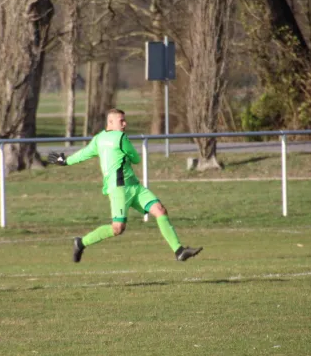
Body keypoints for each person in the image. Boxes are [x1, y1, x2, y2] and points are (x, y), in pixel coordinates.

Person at [48, 108, 202, 263]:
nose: (125, 124)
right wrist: (127, 155)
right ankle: (81, 242)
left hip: (134, 187)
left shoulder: (98, 139)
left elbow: (83, 154)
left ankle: (179, 251)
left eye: (124, 120)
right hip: (119, 189)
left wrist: (65, 161)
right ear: (110, 122)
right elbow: (136, 159)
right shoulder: (121, 137)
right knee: (117, 228)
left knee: (159, 210)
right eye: (121, 121)